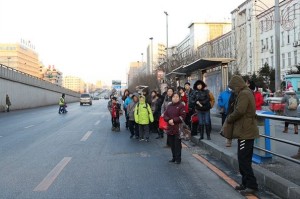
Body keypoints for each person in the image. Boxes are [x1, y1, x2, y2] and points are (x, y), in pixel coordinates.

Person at [227, 75, 259, 196]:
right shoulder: (245, 92)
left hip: (246, 131)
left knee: (244, 159)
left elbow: (240, 110)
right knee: (243, 159)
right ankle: (245, 183)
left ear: (237, 85)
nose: (233, 90)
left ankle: (251, 185)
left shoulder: (244, 94)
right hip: (245, 130)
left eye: (233, 87)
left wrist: (230, 118)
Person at [163, 92, 186, 164]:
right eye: (174, 97)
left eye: (177, 97)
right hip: (170, 127)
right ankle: (173, 157)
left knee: (177, 144)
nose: (175, 98)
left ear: (179, 98)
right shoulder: (169, 106)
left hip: (177, 128)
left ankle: (178, 159)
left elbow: (183, 116)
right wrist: (169, 120)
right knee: (172, 144)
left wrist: (173, 120)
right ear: (171, 98)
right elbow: (165, 115)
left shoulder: (181, 106)